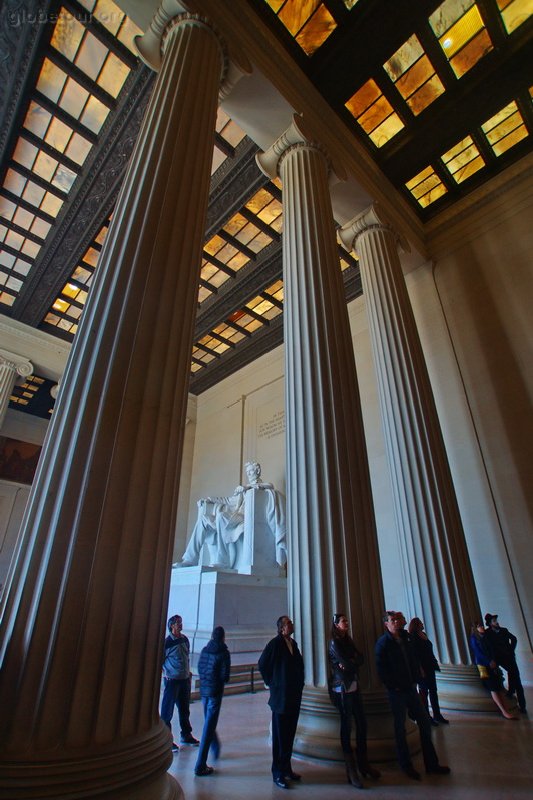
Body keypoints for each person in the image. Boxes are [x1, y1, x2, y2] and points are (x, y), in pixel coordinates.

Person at [375, 611, 450, 781]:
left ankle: (431, 764)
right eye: (392, 620)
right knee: (400, 729)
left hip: (411, 688)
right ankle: (406, 765)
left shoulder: (406, 638)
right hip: (397, 692)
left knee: (424, 724)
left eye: (396, 619)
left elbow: (413, 658)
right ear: (386, 624)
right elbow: (381, 669)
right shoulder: (383, 643)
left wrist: (417, 676)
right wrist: (393, 686)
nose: (395, 622)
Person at [179, 461, 286, 569]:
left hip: (245, 518)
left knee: (221, 516)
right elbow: (229, 500)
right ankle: (190, 559)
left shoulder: (259, 488)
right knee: (204, 519)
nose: (248, 474)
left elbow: (270, 485)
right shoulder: (243, 490)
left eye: (251, 471)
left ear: (258, 471)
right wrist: (209, 500)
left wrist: (247, 487)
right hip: (236, 516)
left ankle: (222, 560)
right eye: (247, 472)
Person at [328, 613, 380, 788]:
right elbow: (350, 662)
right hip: (342, 686)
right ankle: (351, 769)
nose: (347, 623)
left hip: (354, 684)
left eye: (347, 620)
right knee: (346, 726)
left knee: (362, 723)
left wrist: (351, 661)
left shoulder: (348, 640)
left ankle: (363, 764)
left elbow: (361, 659)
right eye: (344, 621)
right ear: (336, 625)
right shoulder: (334, 643)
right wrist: (351, 661)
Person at [258, 615, 305, 789]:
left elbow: (299, 665)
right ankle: (277, 772)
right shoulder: (274, 644)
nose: (292, 625)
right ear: (281, 628)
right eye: (289, 623)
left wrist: (300, 683)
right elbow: (262, 663)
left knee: (289, 735)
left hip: (293, 696)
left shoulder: (293, 644)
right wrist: (272, 682)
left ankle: (286, 768)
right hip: (280, 699)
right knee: (279, 737)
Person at [194, 626, 231, 777]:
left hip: (204, 691)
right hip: (215, 692)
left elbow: (200, 668)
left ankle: (215, 746)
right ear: (223, 637)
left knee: (209, 723)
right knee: (209, 726)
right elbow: (225, 675)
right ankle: (200, 764)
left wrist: (207, 680)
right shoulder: (223, 653)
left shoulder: (204, 650)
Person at [160, 614, 199, 749]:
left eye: (181, 622)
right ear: (171, 626)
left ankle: (186, 735)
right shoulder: (167, 643)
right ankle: (166, 739)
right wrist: (166, 673)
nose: (181, 625)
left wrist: (188, 673)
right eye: (178, 623)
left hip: (184, 680)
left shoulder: (185, 640)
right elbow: (160, 660)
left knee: (184, 710)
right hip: (172, 681)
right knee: (167, 712)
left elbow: (186, 657)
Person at [469, 621, 518, 719]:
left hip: (492, 664)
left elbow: (491, 650)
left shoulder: (485, 637)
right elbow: (478, 653)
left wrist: (493, 660)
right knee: (493, 688)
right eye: (480, 626)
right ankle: (504, 711)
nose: (482, 627)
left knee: (497, 686)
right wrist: (489, 661)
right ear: (475, 628)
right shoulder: (474, 639)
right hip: (483, 666)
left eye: (482, 625)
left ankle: (505, 710)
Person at [408, 617, 448, 725]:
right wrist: (420, 669)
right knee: (424, 693)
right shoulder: (414, 637)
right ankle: (426, 716)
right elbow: (415, 655)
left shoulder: (424, 635)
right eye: (420, 622)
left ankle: (437, 714)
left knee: (433, 691)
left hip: (430, 666)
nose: (422, 623)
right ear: (416, 625)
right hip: (422, 669)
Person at [484, 613, 526, 713]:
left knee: (517, 679)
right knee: (509, 674)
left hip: (509, 657)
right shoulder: (488, 633)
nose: (496, 622)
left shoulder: (503, 630)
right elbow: (486, 647)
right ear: (490, 623)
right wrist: (491, 659)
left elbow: (514, 639)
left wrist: (511, 650)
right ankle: (511, 691)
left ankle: (522, 705)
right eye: (494, 621)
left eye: (496, 620)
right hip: (498, 658)